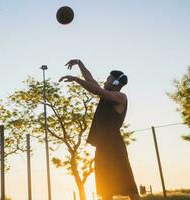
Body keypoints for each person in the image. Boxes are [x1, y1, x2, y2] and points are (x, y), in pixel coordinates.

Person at [59, 59, 140, 200]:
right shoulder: (105, 94)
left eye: (109, 79)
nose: (106, 80)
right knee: (104, 187)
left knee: (128, 185)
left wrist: (75, 79)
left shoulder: (120, 97)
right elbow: (90, 80)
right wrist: (79, 63)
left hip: (115, 146)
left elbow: (95, 89)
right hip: (102, 146)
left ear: (115, 83)